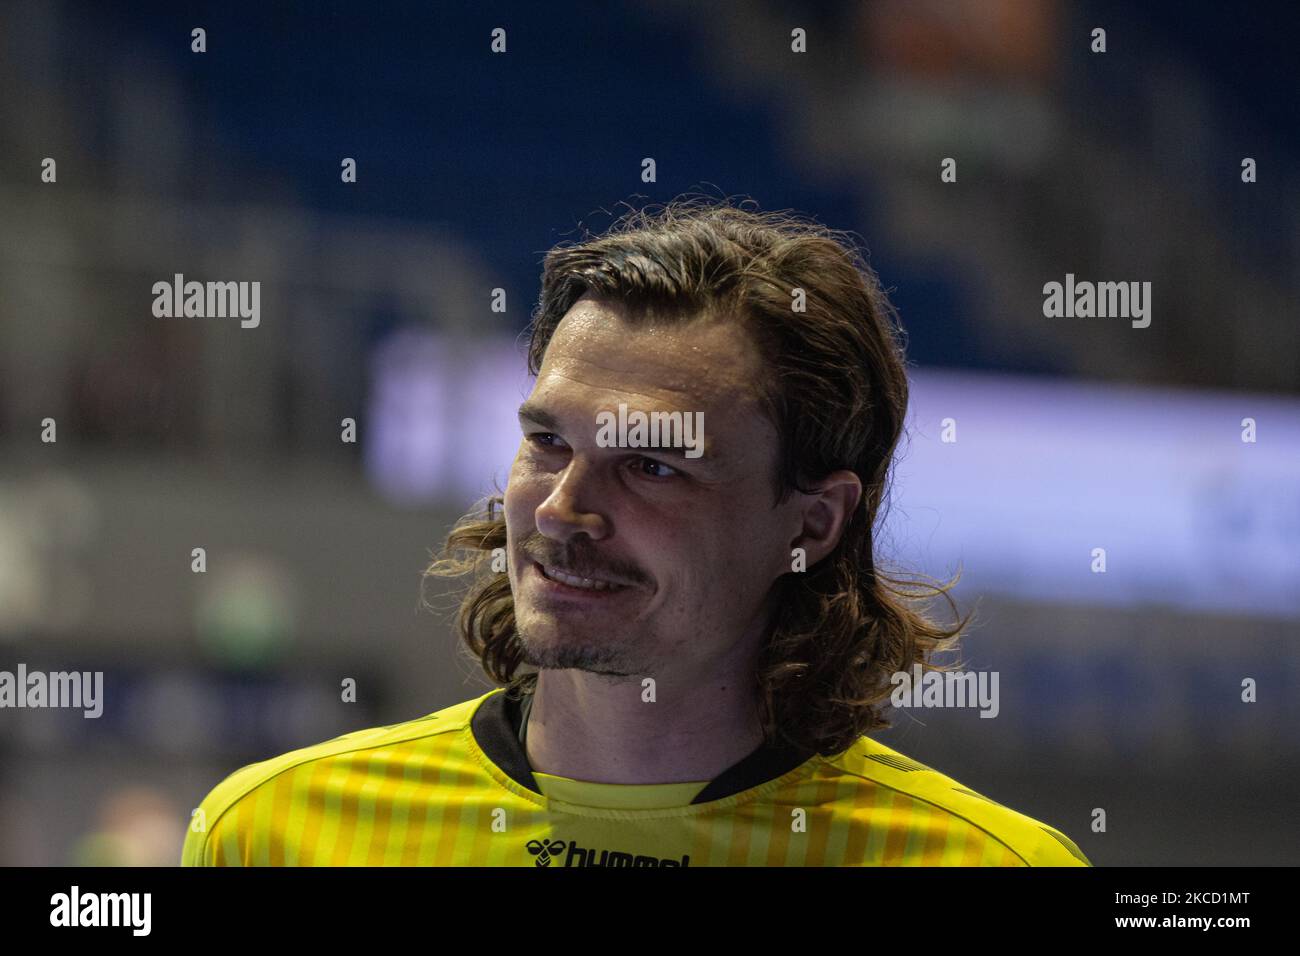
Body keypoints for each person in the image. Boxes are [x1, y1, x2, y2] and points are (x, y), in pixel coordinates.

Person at [183, 197, 1090, 866]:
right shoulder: (271, 836)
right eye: (547, 441)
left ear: (812, 522)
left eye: (654, 465)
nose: (560, 509)